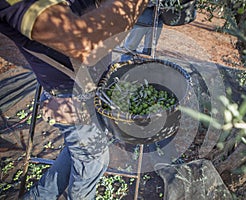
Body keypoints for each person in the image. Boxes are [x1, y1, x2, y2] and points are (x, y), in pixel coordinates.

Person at [0, 0, 149, 199]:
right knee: (93, 162)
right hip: (69, 96)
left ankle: (38, 196)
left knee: (79, 154)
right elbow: (84, 43)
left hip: (88, 88)